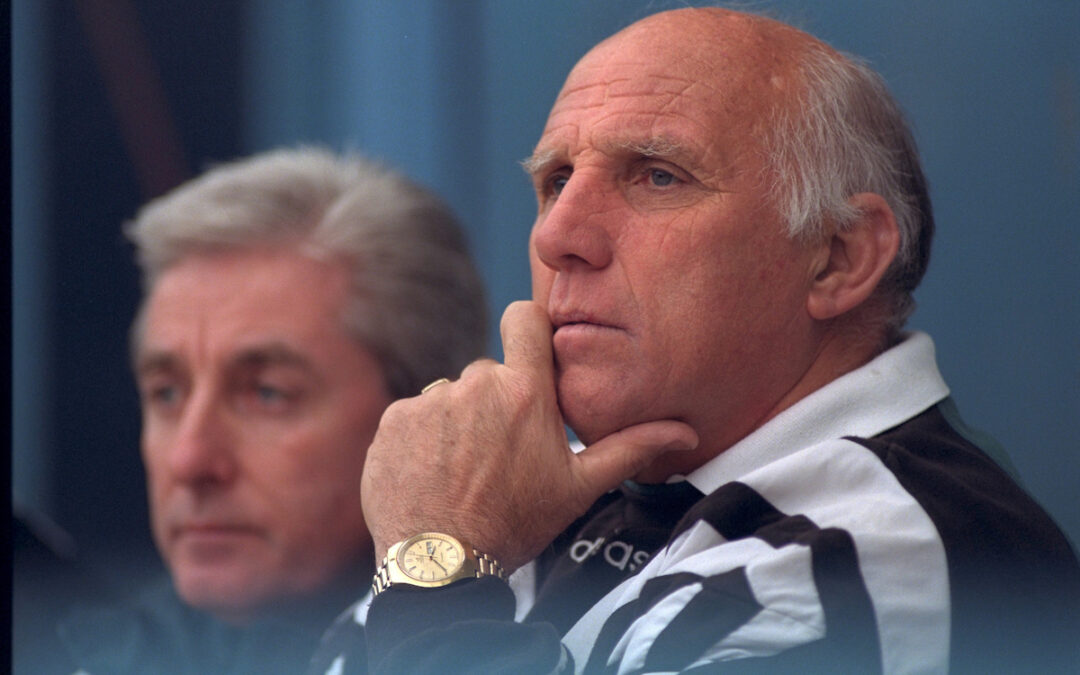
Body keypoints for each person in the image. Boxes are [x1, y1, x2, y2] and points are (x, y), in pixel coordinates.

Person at [309, 7, 1080, 674]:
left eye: (656, 176)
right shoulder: (520, 486)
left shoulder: (879, 558)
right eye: (555, 181)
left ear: (838, 256)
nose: (557, 234)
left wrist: (435, 566)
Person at [55, 147, 488, 674]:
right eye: (167, 394)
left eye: (267, 393)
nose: (189, 462)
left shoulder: (573, 633)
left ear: (435, 413)